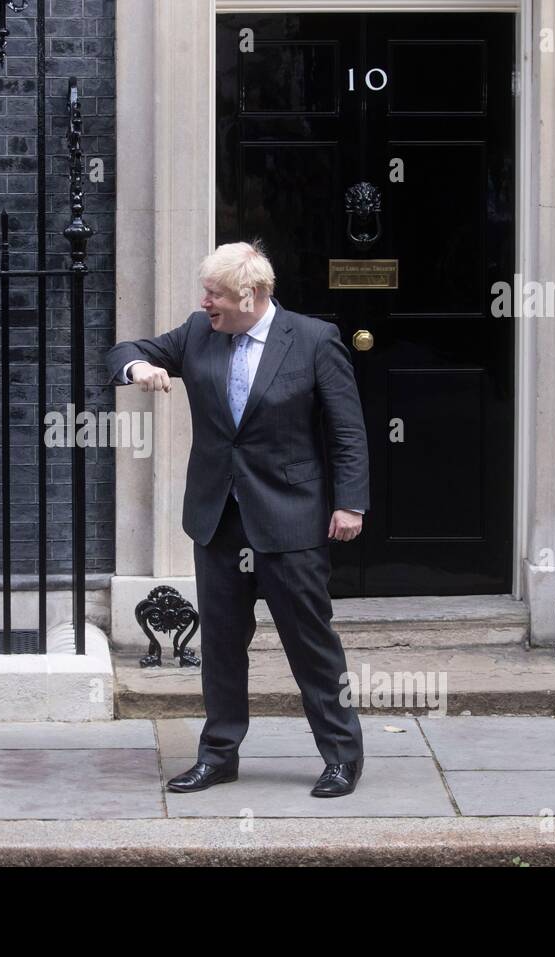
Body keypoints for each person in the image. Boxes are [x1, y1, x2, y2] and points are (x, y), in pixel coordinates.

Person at [105, 241, 370, 797]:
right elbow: (125, 348)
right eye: (206, 292)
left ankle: (342, 757)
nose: (205, 302)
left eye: (215, 294)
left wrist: (350, 503)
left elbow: (347, 431)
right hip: (219, 519)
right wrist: (139, 367)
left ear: (251, 295)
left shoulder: (315, 340)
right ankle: (218, 755)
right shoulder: (200, 332)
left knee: (310, 643)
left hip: (290, 519)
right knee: (222, 645)